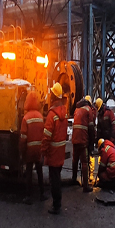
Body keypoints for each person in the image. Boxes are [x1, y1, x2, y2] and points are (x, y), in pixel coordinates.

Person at [42, 82, 68, 214]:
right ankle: (58, 202)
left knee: (54, 180)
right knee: (57, 177)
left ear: (54, 96)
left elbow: (47, 136)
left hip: (53, 153)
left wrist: (43, 151)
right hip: (60, 152)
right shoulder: (64, 112)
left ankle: (56, 205)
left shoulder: (52, 115)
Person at [20, 91, 45, 204]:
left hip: (29, 150)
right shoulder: (40, 117)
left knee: (29, 172)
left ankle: (28, 196)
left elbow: (23, 138)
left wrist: (22, 152)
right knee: (39, 171)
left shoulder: (25, 118)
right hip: (39, 149)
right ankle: (42, 194)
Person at [71, 95, 95, 192]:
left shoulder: (77, 109)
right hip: (83, 139)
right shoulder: (88, 109)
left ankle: (73, 179)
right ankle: (85, 186)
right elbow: (91, 127)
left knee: (75, 160)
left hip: (75, 138)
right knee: (84, 162)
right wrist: (91, 142)